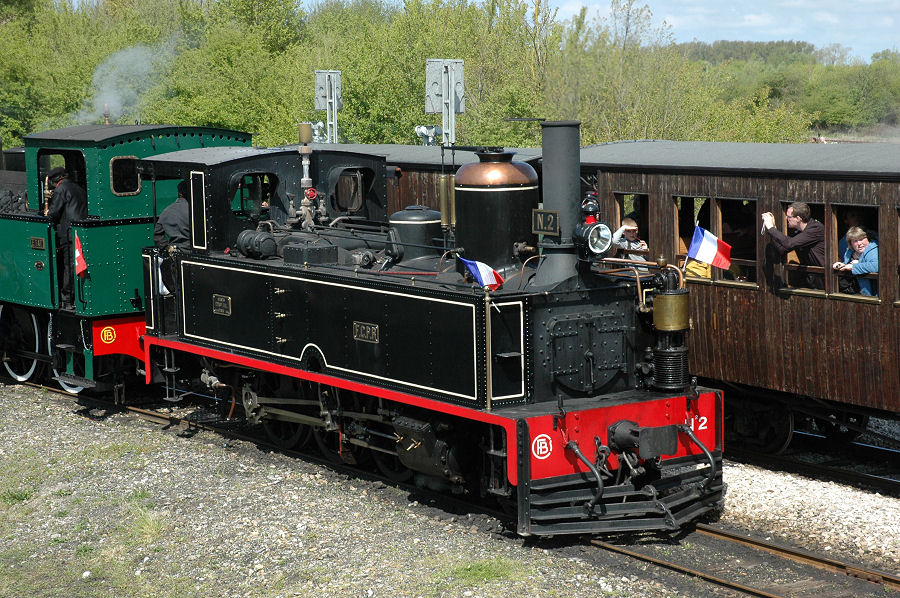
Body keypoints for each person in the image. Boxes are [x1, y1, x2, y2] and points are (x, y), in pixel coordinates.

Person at [45, 166, 87, 307]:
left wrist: (48, 214)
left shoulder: (61, 189)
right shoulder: (78, 188)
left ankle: (67, 298)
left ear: (54, 180)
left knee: (68, 267)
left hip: (68, 234)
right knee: (76, 266)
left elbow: (54, 213)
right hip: (79, 234)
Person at [761, 201, 825, 289]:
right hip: (815, 279)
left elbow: (789, 244)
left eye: (788, 217)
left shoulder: (815, 229)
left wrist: (771, 229)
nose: (786, 218)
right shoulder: (800, 232)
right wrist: (773, 230)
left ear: (798, 218)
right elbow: (782, 249)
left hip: (827, 280)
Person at [832, 226, 878, 296]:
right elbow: (848, 264)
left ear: (868, 238)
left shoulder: (873, 249)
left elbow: (876, 266)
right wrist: (842, 265)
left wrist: (854, 266)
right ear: (851, 243)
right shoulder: (850, 251)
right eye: (855, 241)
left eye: (861, 239)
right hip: (853, 291)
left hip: (871, 294)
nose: (859, 243)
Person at [154, 180, 191, 250]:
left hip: (175, 252)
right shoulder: (195, 211)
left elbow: (157, 234)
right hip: (192, 252)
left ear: (179, 193)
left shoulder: (166, 211)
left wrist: (167, 247)